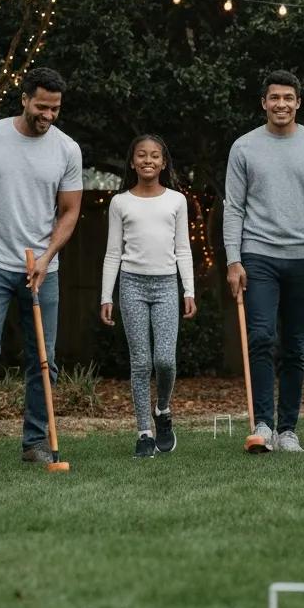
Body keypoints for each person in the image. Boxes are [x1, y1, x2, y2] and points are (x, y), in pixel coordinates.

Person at [0, 66, 82, 470]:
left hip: (42, 268)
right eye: (41, 106)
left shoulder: (67, 149)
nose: (48, 115)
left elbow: (70, 210)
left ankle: (35, 442)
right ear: (24, 98)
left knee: (43, 357)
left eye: (55, 108)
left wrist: (47, 256)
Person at [223, 70, 304, 452]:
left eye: (288, 98)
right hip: (258, 255)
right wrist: (233, 260)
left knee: (295, 345)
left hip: (302, 256)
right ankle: (263, 425)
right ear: (264, 103)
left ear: (298, 103)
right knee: (260, 338)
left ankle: (288, 429)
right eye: (275, 98)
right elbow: (233, 209)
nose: (281, 105)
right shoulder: (244, 147)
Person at [100, 134, 197, 459]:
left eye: (155, 156)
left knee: (165, 361)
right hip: (132, 285)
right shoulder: (120, 202)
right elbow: (113, 252)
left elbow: (183, 248)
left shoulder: (176, 201)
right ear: (132, 161)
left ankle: (163, 410)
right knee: (141, 363)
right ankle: (143, 431)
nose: (148, 161)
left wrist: (188, 290)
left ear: (163, 163)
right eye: (141, 155)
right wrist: (106, 296)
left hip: (167, 284)